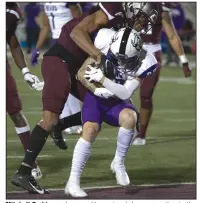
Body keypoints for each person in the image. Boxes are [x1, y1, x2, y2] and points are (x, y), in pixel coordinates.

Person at [11, 2, 158, 194]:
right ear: (131, 9)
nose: (142, 24)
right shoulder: (111, 12)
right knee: (50, 117)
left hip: (76, 64)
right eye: (141, 18)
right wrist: (99, 56)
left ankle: (60, 126)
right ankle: (24, 171)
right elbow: (76, 32)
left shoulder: (122, 24)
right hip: (61, 59)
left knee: (99, 104)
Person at [65, 27, 158, 197]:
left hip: (117, 99)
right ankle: (73, 181)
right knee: (90, 129)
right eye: (118, 58)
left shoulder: (147, 60)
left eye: (126, 60)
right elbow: (81, 73)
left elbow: (125, 93)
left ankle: (118, 162)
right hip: (96, 97)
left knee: (130, 118)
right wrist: (97, 89)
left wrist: (102, 80)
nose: (122, 63)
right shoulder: (103, 41)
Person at [132, 2, 191, 145]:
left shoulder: (161, 9)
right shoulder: (129, 5)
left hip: (151, 52)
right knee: (120, 92)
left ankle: (141, 134)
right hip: (130, 51)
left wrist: (183, 61)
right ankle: (130, 123)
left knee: (146, 95)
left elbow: (172, 36)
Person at [30, 2, 82, 150]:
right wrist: (37, 48)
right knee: (60, 83)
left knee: (72, 81)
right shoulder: (45, 2)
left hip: (71, 42)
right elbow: (46, 26)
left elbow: (80, 21)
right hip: (56, 43)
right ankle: (65, 123)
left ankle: (73, 122)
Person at [6, 3, 43, 180]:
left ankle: (31, 163)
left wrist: (25, 72)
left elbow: (11, 41)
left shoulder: (11, 11)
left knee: (15, 112)